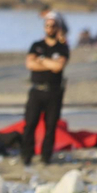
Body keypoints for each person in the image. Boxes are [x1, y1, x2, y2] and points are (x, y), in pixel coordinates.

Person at [22, 11, 70, 166]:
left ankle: (45, 157)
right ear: (44, 27)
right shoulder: (36, 45)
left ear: (57, 28)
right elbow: (30, 64)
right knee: (30, 124)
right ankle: (26, 156)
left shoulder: (62, 47)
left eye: (53, 26)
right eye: (47, 25)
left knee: (51, 126)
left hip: (54, 91)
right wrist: (48, 63)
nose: (50, 28)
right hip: (36, 90)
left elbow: (58, 66)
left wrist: (41, 60)